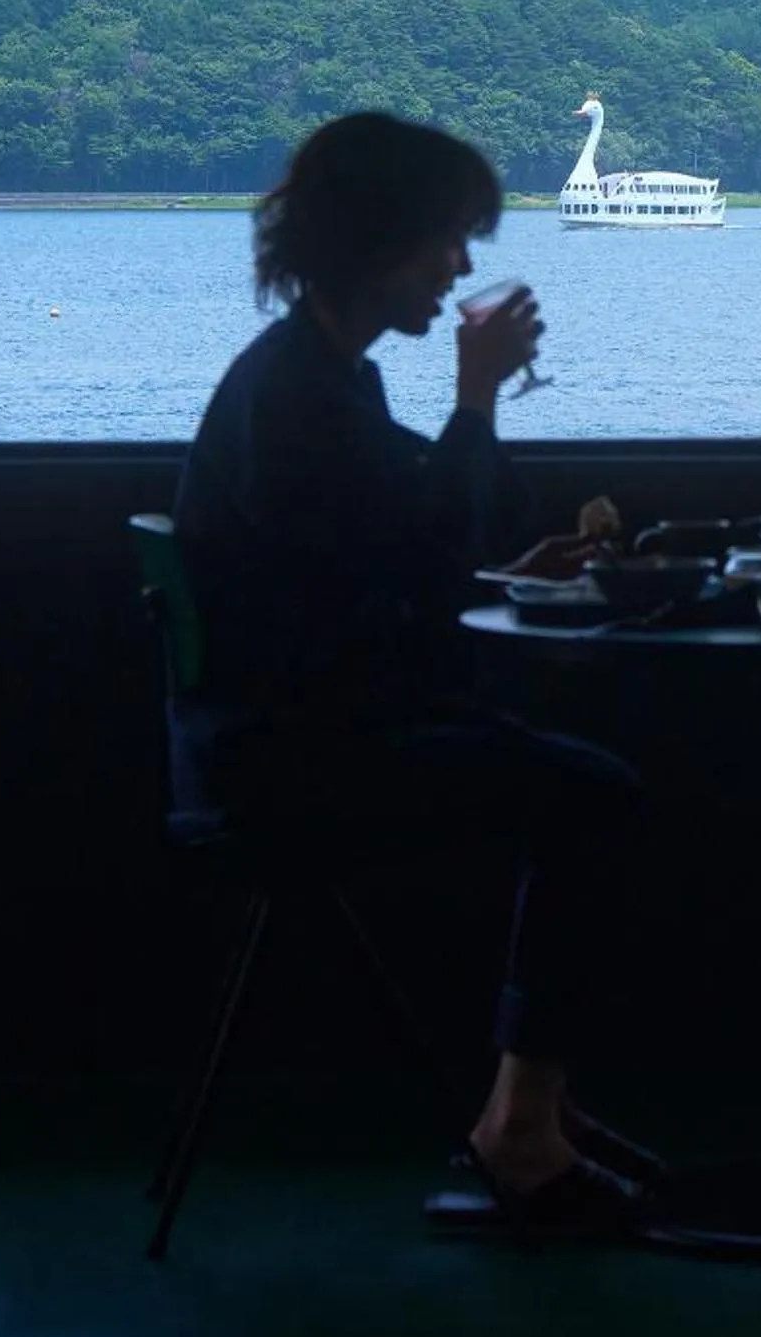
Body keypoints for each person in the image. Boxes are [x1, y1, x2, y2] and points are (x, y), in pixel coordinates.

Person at [172, 110, 651, 1241]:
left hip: (267, 742)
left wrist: (498, 558)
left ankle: (534, 1113)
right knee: (595, 797)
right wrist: (478, 395)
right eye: (448, 240)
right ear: (381, 242)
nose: (462, 267)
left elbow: (395, 551)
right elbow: (415, 557)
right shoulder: (301, 398)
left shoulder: (309, 378)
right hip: (297, 765)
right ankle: (522, 1129)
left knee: (576, 784)